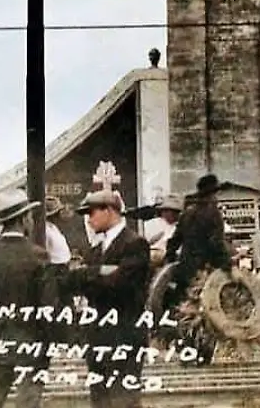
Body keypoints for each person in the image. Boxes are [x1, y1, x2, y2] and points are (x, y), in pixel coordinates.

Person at [0, 188, 59, 408]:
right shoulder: (38, 257)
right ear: (24, 219)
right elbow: (49, 308)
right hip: (31, 346)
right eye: (30, 217)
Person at [70, 189, 151, 408]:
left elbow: (120, 285)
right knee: (100, 400)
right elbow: (77, 282)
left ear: (110, 210)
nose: (89, 218)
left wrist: (89, 274)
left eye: (92, 211)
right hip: (98, 338)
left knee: (124, 400)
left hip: (125, 336)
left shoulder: (135, 244)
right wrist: (100, 272)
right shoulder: (96, 250)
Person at [162, 175, 231, 309]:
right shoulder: (213, 214)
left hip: (185, 269)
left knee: (184, 307)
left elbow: (174, 241)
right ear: (212, 194)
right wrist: (227, 265)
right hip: (205, 272)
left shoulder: (187, 213)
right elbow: (216, 243)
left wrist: (170, 259)